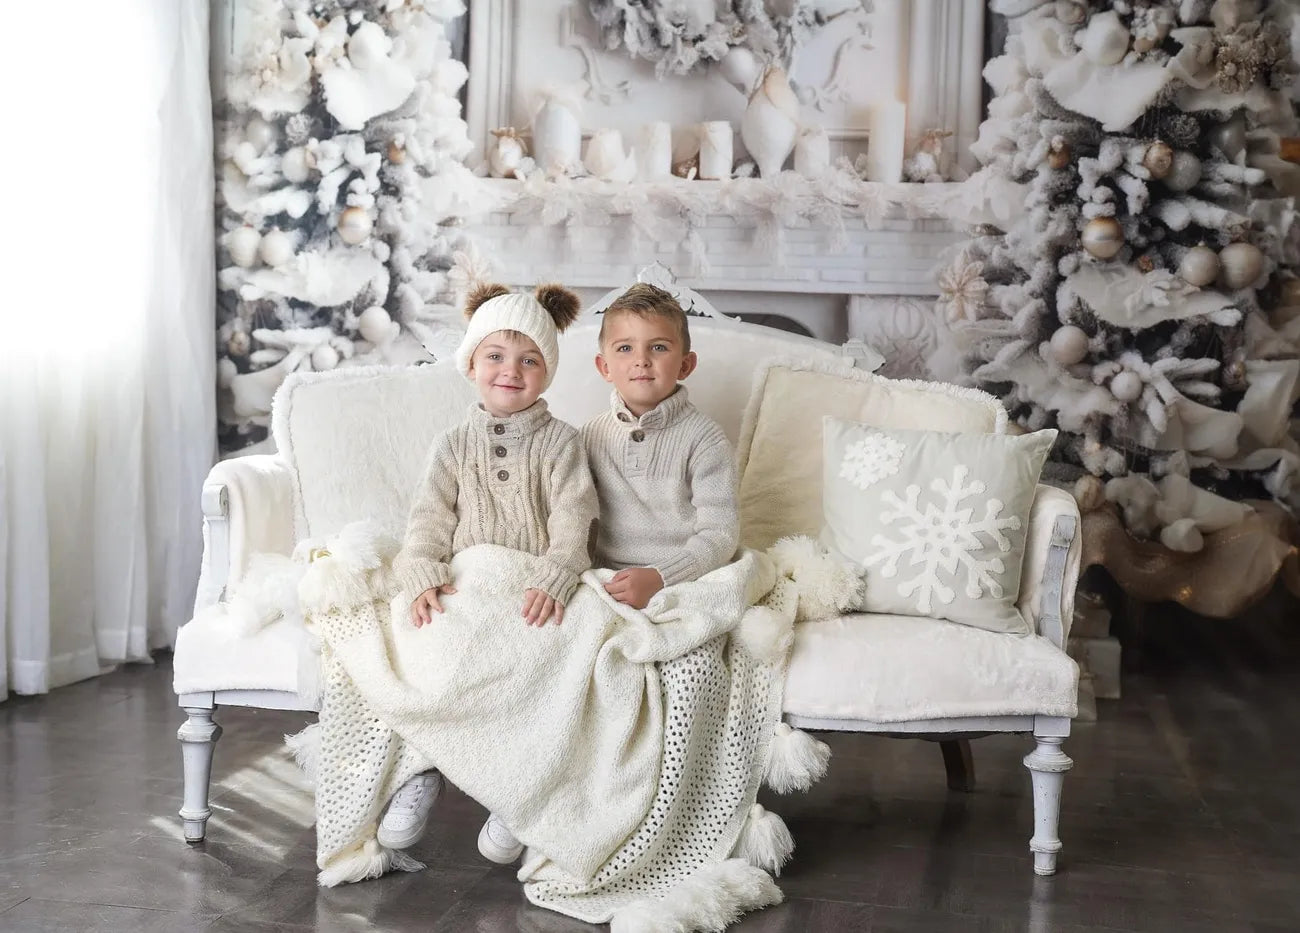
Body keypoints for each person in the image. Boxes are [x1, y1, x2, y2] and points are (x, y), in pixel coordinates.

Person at [380, 282, 597, 865]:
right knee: (427, 642)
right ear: (471, 363)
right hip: (467, 577)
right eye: (496, 356)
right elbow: (428, 518)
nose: (511, 370)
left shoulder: (562, 443)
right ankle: (419, 768)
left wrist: (556, 574)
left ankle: (517, 793)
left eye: (529, 359)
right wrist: (422, 569)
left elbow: (574, 521)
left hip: (529, 580)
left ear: (547, 372)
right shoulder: (453, 445)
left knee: (542, 654)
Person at [581, 283, 739, 611]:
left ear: (685, 365)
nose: (641, 360)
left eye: (658, 348)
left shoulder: (705, 439)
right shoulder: (589, 436)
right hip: (606, 580)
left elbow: (721, 534)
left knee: (694, 646)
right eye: (625, 348)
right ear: (604, 367)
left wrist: (660, 577)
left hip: (684, 579)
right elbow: (571, 512)